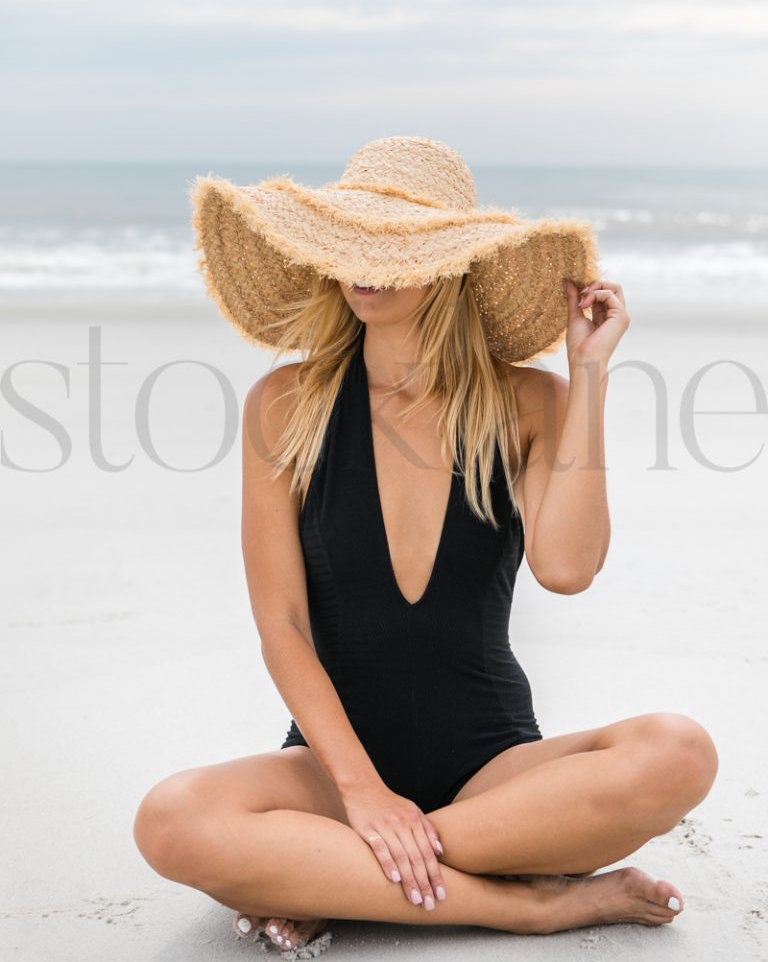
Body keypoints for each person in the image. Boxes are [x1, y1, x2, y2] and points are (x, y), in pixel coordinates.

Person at [133, 137, 718, 957]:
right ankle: (531, 904)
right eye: (349, 243)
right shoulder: (285, 405)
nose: (363, 265)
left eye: (394, 246)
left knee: (679, 751)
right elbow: (283, 628)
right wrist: (363, 794)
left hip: (493, 771)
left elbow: (568, 569)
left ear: (451, 264)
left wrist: (588, 376)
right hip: (333, 770)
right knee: (172, 819)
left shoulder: (530, 402)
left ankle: (336, 878)